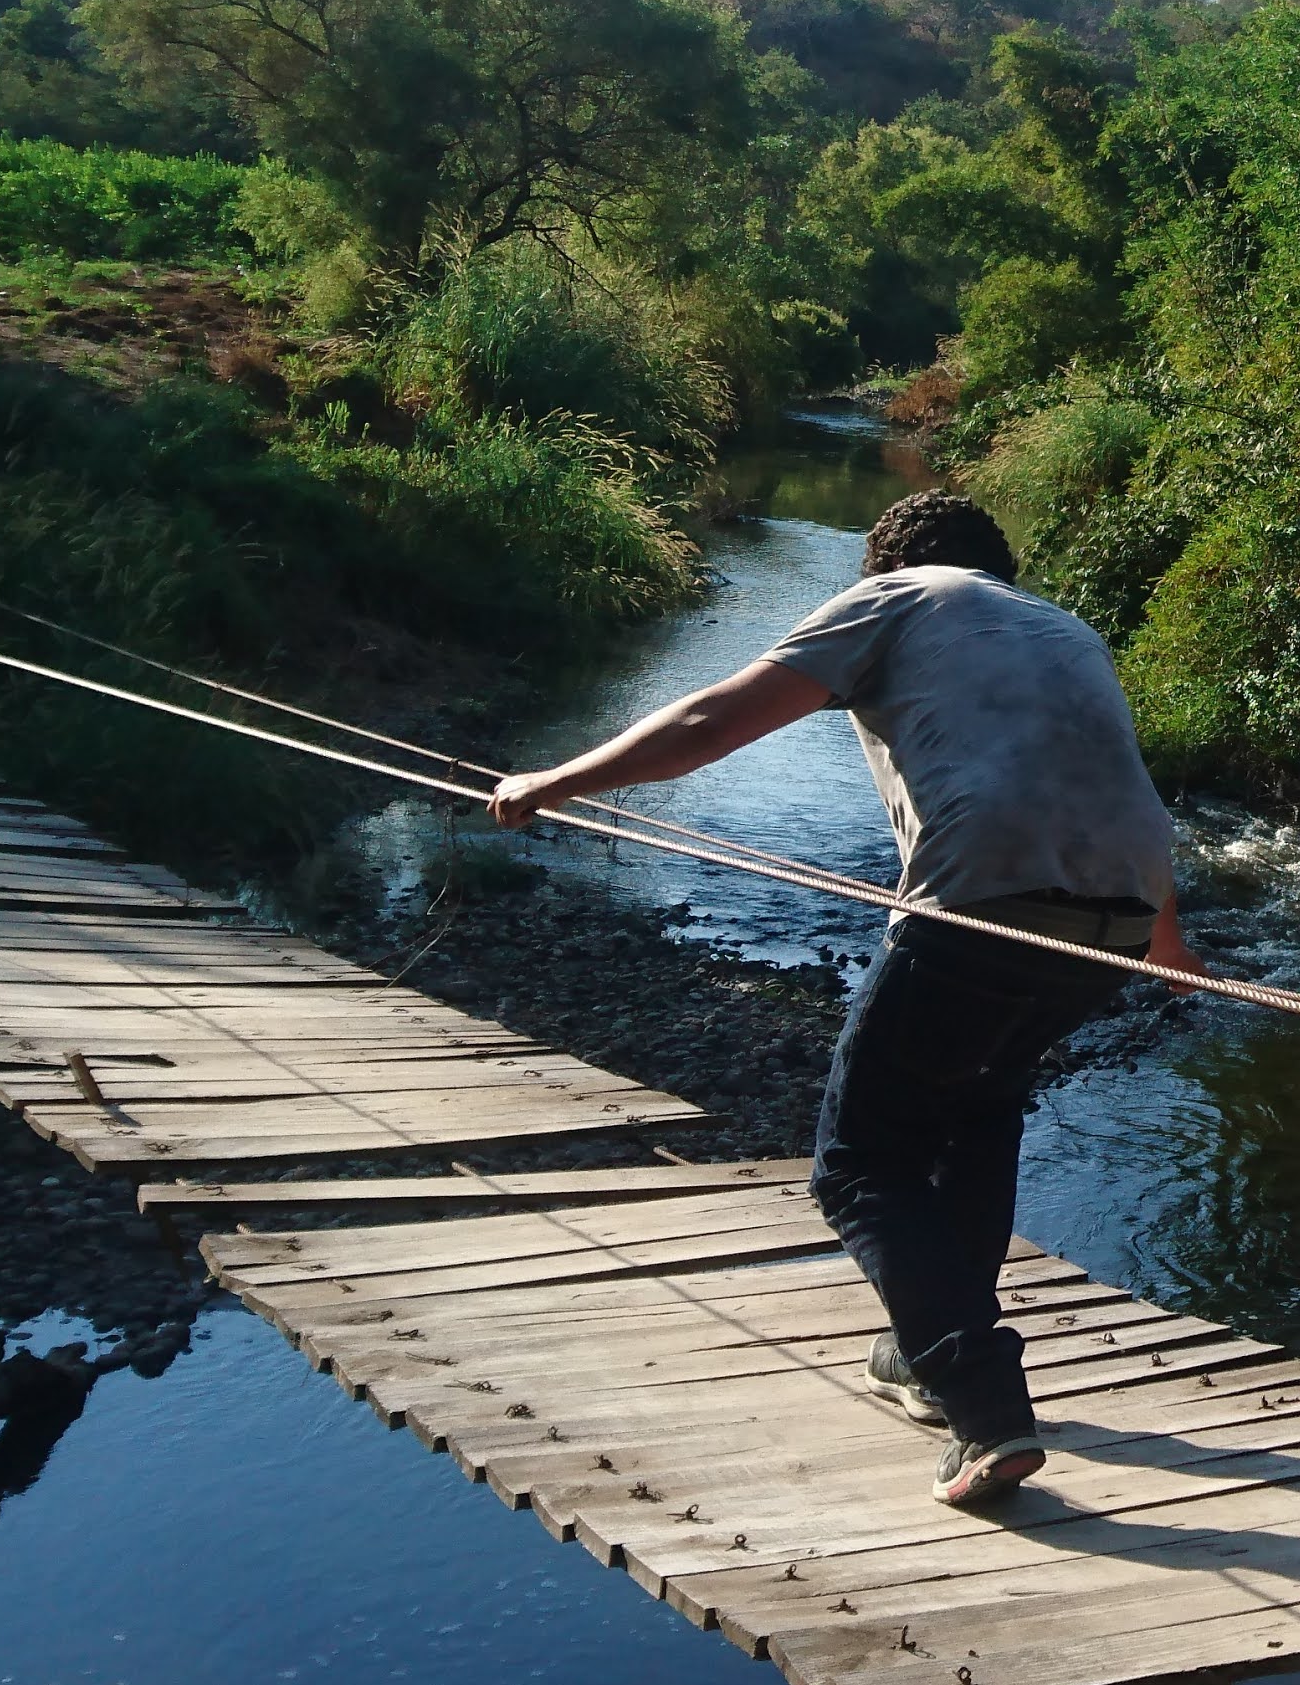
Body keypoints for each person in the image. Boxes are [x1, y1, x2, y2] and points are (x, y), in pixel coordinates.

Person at [490, 489, 1191, 1512]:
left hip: (981, 904)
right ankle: (928, 1364)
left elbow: (711, 717)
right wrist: (1168, 947)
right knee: (978, 1110)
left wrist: (554, 780)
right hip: (1117, 917)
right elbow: (1107, 784)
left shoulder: (897, 596)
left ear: (880, 567)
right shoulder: (1063, 627)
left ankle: (984, 1405)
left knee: (861, 1162)